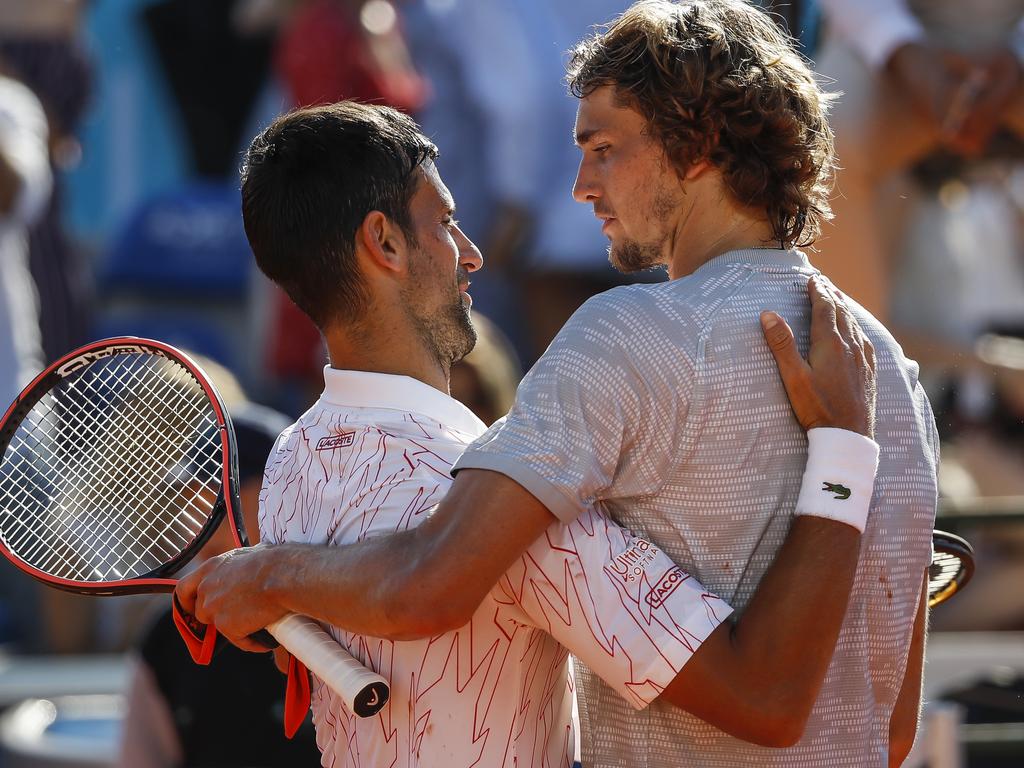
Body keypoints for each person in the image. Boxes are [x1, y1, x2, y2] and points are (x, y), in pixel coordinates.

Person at [178, 84, 889, 768]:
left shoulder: (294, 467)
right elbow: (763, 697)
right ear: (385, 245)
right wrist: (844, 454)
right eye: (445, 223)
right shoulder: (505, 501)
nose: (471, 252)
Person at [117, 403, 322, 768]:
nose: (200, 518)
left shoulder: (350, 614)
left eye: (223, 495)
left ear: (288, 496)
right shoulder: (166, 640)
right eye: (192, 498)